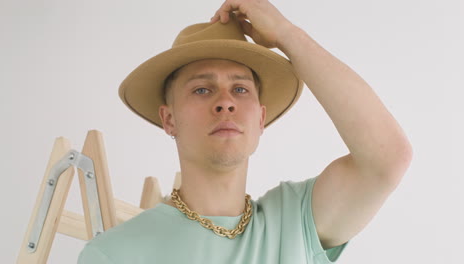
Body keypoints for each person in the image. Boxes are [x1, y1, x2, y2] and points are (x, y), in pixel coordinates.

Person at [78, 0, 413, 263]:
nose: (225, 103)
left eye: (240, 90)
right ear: (169, 119)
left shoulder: (295, 223)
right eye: (202, 90)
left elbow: (386, 159)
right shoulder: (114, 255)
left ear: (260, 118)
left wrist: (286, 33)